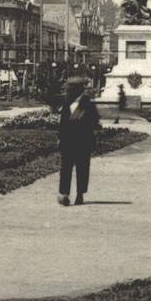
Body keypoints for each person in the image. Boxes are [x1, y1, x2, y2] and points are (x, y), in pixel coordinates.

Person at [57, 76, 100, 206]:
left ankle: (80, 193)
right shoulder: (66, 104)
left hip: (82, 142)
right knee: (66, 168)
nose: (67, 93)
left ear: (77, 91)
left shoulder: (88, 104)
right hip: (68, 142)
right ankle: (64, 193)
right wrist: (60, 138)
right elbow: (63, 124)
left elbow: (95, 121)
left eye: (69, 90)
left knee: (82, 169)